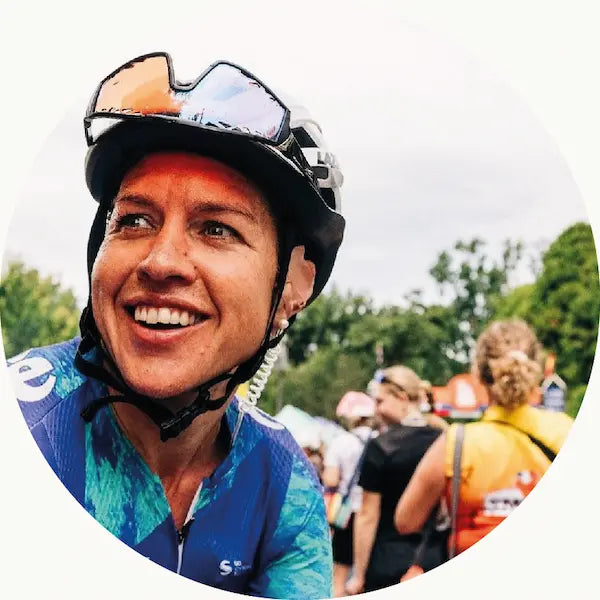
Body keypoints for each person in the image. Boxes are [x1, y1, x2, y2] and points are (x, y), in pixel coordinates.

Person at [8, 52, 345, 599]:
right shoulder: (24, 427)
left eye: (216, 229)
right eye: (134, 220)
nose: (160, 262)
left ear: (292, 288)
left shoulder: (282, 481)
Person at [395, 319, 573, 557]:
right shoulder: (565, 430)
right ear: (536, 369)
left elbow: (406, 521)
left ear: (478, 373)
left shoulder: (457, 443)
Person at [345, 366, 448, 595]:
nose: (376, 410)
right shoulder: (443, 440)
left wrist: (359, 574)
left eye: (380, 401)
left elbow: (367, 515)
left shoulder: (381, 446)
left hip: (386, 561)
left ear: (401, 397)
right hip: (432, 558)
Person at [322, 391, 376, 597]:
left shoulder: (341, 442)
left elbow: (331, 480)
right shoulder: (380, 440)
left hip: (347, 515)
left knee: (340, 575)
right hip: (373, 512)